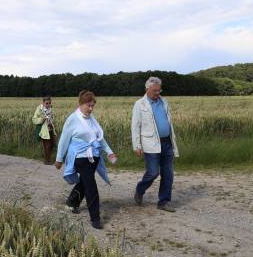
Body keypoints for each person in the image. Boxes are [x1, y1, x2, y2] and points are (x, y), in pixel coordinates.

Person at [55, 90, 117, 230]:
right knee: (91, 186)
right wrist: (59, 158)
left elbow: (99, 137)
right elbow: (64, 139)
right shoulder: (73, 119)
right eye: (88, 105)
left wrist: (109, 152)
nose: (91, 109)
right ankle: (95, 218)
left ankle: (72, 202)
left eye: (92, 106)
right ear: (80, 104)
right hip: (80, 157)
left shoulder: (92, 119)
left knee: (85, 181)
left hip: (93, 156)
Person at [132, 77, 179, 212]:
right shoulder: (139, 104)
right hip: (150, 143)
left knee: (168, 173)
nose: (158, 93)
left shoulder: (164, 102)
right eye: (155, 90)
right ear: (147, 89)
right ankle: (140, 190)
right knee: (153, 173)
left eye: (159, 90)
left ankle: (163, 201)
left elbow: (168, 122)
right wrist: (137, 145)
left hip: (167, 142)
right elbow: (135, 126)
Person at [32, 95, 57, 164]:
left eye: (49, 103)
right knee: (47, 145)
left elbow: (50, 119)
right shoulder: (39, 109)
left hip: (50, 128)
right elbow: (34, 120)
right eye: (47, 103)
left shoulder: (50, 109)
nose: (48, 104)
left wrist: (51, 118)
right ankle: (47, 160)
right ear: (43, 103)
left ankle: (48, 158)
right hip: (44, 130)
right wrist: (42, 119)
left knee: (52, 144)